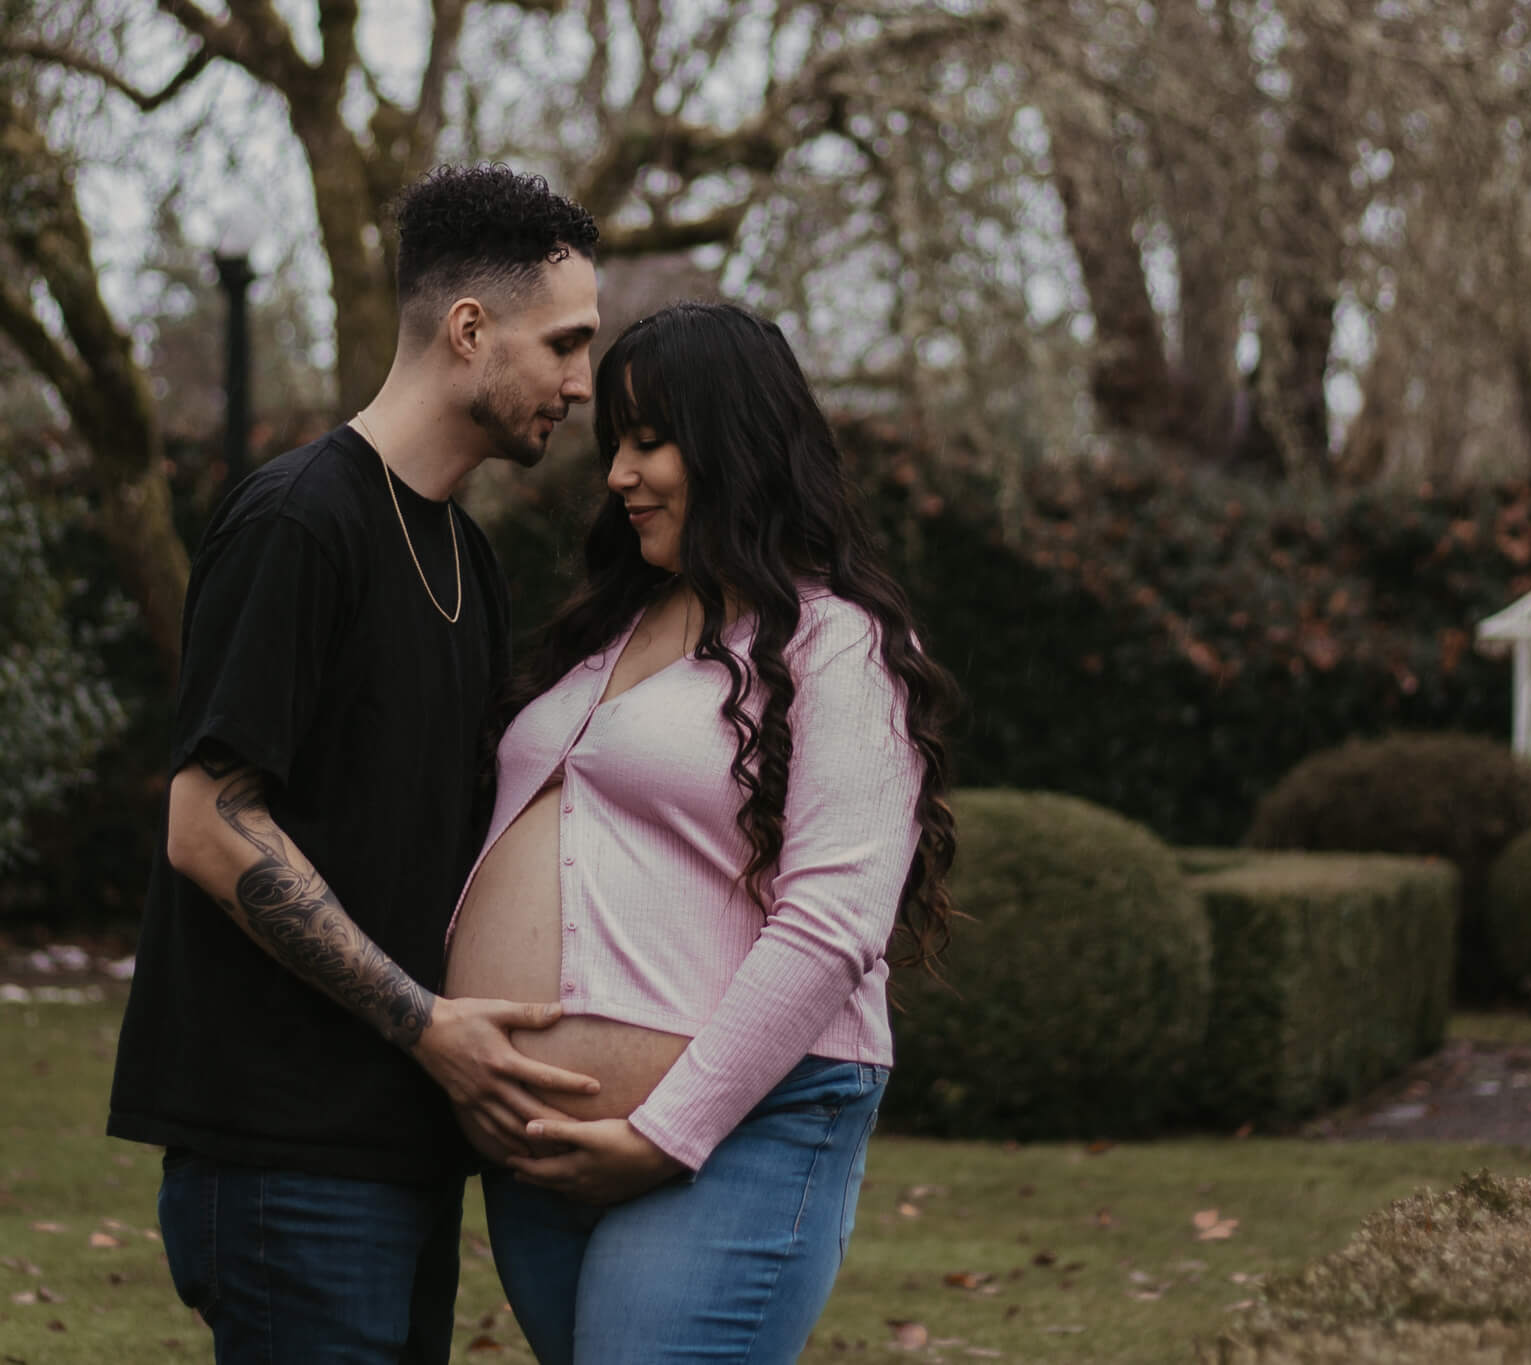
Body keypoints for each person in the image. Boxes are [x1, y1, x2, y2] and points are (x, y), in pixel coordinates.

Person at [107, 164, 605, 1364]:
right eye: (567, 344)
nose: (583, 385)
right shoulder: (298, 522)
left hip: (396, 1153)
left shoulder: (464, 560)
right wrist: (425, 1023)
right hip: (285, 1162)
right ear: (469, 330)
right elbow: (208, 821)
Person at [441, 300, 958, 1363]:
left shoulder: (841, 645)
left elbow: (833, 922)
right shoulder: (613, 630)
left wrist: (660, 1133)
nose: (619, 476)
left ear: (732, 443)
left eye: (648, 441)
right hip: (544, 1143)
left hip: (740, 1128)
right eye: (613, 447)